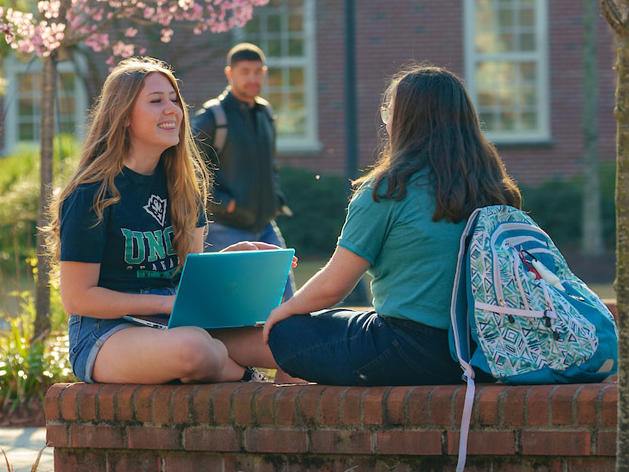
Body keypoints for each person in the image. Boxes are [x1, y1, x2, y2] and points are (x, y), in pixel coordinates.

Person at [240, 65, 521, 387]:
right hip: (483, 352)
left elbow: (334, 285)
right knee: (340, 322)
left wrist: (285, 310)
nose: (385, 120)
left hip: (410, 350)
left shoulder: (389, 188)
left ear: (404, 121)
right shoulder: (494, 188)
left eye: (389, 110)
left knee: (287, 330)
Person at [55, 57, 283, 384]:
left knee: (292, 343)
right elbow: (77, 297)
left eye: (174, 100)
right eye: (156, 101)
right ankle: (249, 381)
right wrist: (163, 301)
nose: (173, 109)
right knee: (197, 349)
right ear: (123, 117)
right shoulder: (92, 194)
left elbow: (186, 275)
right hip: (106, 333)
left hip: (177, 322)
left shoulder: (184, 187)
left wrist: (230, 260)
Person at [192, 43, 289, 253]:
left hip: (266, 226)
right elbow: (188, 171)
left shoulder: (266, 113)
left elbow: (270, 165)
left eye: (257, 72)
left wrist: (275, 200)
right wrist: (226, 204)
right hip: (223, 229)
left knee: (283, 287)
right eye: (244, 72)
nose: (252, 79)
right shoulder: (212, 117)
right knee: (233, 288)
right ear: (229, 73)